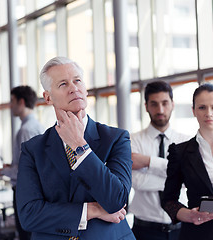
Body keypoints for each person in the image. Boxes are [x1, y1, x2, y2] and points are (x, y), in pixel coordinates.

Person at [15, 56, 135, 240]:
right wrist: (92, 210)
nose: (74, 88)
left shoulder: (116, 138)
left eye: (77, 80)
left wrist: (80, 146)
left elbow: (116, 200)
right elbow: (29, 215)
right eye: (63, 84)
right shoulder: (33, 149)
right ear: (47, 97)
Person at [161, 83, 213, 240]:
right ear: (193, 110)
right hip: (196, 234)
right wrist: (189, 215)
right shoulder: (179, 152)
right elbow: (168, 200)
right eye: (202, 107)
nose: (209, 113)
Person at [129, 81, 189, 240]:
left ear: (173, 104)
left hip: (181, 228)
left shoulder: (187, 142)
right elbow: (135, 181)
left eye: (165, 103)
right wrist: (177, 177)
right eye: (154, 104)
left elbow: (190, 180)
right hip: (144, 229)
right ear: (146, 106)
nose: (160, 110)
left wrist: (148, 162)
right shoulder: (132, 140)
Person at [0, 85, 44, 240]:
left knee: (25, 234)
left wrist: (1, 171)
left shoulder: (26, 130)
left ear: (21, 102)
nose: (10, 105)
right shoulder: (36, 126)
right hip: (34, 191)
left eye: (12, 101)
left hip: (25, 192)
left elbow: (25, 169)